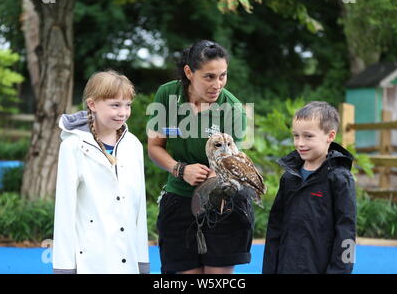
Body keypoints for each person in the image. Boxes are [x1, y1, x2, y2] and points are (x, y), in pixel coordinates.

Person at [147, 40, 252, 274]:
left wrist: (214, 177)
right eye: (209, 77)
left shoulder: (233, 108)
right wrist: (180, 169)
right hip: (178, 199)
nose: (218, 85)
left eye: (223, 76)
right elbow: (155, 147)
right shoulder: (167, 94)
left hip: (222, 202)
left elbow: (233, 162)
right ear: (189, 72)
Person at [52, 70, 149, 274]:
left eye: (127, 105)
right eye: (115, 105)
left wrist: (142, 261)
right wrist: (64, 267)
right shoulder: (73, 147)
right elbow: (64, 211)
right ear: (92, 104)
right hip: (91, 260)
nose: (123, 112)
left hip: (128, 260)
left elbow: (139, 208)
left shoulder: (134, 146)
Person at [262, 101, 356, 274]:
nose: (300, 143)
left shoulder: (340, 179)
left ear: (330, 136)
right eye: (296, 136)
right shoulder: (289, 178)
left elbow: (347, 233)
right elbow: (275, 228)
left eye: (308, 136)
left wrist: (340, 272)